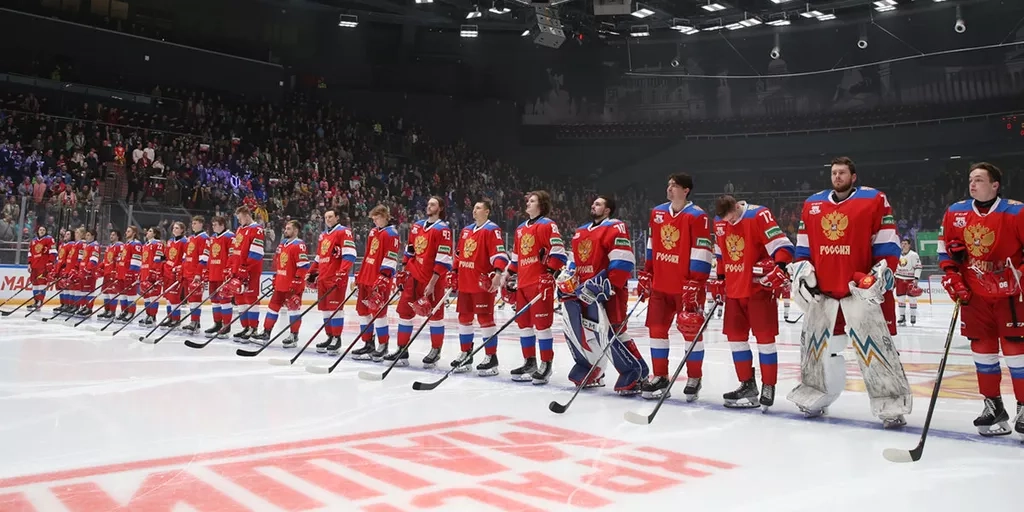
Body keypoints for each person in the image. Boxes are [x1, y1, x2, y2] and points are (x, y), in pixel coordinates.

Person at [788, 156, 909, 428]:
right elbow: (803, 247)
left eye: (842, 172)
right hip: (824, 292)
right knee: (821, 351)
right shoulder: (813, 204)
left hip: (860, 291)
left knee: (877, 349)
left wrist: (880, 273)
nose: (837, 177)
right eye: (834, 172)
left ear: (853, 176)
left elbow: (887, 241)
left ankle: (890, 404)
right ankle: (817, 394)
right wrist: (803, 272)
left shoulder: (873, 199)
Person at [938, 162, 1024, 438]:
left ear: (995, 185)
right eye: (970, 180)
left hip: (1010, 297)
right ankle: (993, 406)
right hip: (974, 297)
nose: (972, 184)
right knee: (982, 352)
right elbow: (945, 251)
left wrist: (1019, 277)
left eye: (979, 180)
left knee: (1016, 353)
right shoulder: (956, 212)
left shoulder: (1016, 211)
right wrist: (953, 277)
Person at [559, 195, 648, 394]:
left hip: (607, 292)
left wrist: (607, 284)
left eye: (598, 204)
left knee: (614, 331)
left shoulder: (615, 227)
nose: (593, 205)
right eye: (593, 203)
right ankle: (592, 368)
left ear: (607, 210)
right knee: (582, 330)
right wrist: (567, 278)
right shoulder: (580, 231)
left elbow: (623, 260)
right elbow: (575, 262)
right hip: (582, 291)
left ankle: (638, 372)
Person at [711, 195, 794, 409]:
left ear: (736, 206)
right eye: (725, 220)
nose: (729, 222)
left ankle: (768, 385)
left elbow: (783, 246)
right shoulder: (719, 222)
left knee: (765, 339)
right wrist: (720, 279)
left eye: (731, 217)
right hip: (734, 290)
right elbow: (720, 254)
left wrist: (779, 267)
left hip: (759, 289)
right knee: (736, 339)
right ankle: (747, 384)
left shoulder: (759, 215)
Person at [637, 173, 713, 402]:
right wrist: (647, 272)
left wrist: (696, 281)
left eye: (674, 185)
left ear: (686, 190)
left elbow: (702, 249)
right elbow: (652, 244)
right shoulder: (657, 212)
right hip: (660, 285)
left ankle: (694, 377)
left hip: (686, 287)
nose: (669, 189)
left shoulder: (697, 215)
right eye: (668, 185)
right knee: (656, 330)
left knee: (691, 331)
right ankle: (660, 376)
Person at [504, 191, 567, 383]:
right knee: (524, 325)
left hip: (540, 284)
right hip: (523, 284)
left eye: (532, 201)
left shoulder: (548, 225)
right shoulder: (520, 229)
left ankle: (546, 364)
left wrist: (549, 274)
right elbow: (516, 258)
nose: (528, 203)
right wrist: (508, 275)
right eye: (528, 201)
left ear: (541, 205)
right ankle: (529, 362)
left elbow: (559, 253)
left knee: (542, 325)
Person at [387, 196, 454, 368]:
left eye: (433, 204)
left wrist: (432, 283)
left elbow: (443, 259)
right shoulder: (417, 226)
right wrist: (404, 270)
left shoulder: (443, 230)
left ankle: (435, 350)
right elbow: (410, 249)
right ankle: (402, 350)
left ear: (440, 208)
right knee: (404, 312)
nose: (429, 206)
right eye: (428, 203)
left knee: (435, 316)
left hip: (432, 280)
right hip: (413, 276)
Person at [449, 200, 508, 376]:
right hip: (465, 281)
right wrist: (454, 272)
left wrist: (498, 273)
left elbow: (499, 253)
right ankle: (466, 354)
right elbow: (459, 254)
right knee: (464, 318)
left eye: (479, 208)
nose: (474, 210)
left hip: (482, 283)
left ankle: (491, 357)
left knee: (485, 319)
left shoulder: (492, 229)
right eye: (474, 208)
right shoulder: (466, 230)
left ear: (487, 211)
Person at [351, 205, 401, 361]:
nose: (374, 221)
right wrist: (360, 275)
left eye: (377, 218)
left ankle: (383, 345)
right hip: (366, 277)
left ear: (385, 216)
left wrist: (384, 277)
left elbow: (391, 256)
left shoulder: (391, 234)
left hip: (379, 279)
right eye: (373, 219)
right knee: (363, 311)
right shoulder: (373, 232)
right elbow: (368, 254)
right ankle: (368, 344)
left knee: (379, 312)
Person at [308, 208, 356, 354]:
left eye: (330, 216)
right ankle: (329, 337)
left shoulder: (343, 232)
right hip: (323, 277)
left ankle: (337, 338)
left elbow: (350, 254)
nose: (327, 219)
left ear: (337, 217)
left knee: (336, 309)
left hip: (335, 278)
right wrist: (311, 271)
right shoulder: (323, 235)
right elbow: (319, 257)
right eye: (326, 217)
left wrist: (342, 273)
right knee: (325, 310)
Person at [254, 220, 309, 347]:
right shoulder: (282, 244)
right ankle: (266, 332)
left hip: (292, 286)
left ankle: (294, 336)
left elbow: (304, 266)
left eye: (289, 228)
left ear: (296, 231)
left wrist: (296, 281)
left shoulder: (299, 245)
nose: (285, 230)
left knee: (293, 309)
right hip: (280, 283)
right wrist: (275, 276)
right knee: (272, 308)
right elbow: (277, 263)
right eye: (286, 228)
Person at [228, 206, 266, 341]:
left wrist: (245, 268)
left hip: (251, 270)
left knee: (250, 297)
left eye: (240, 218)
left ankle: (253, 328)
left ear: (246, 215)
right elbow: (234, 250)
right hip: (238, 269)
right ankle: (245, 327)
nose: (238, 221)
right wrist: (231, 267)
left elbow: (257, 253)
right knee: (239, 298)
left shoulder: (257, 229)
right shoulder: (239, 229)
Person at [203, 216, 235, 337]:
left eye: (215, 224)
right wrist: (206, 270)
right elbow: (209, 256)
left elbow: (232, 256)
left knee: (224, 301)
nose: (213, 227)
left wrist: (229, 269)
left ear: (222, 225)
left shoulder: (230, 237)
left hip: (223, 275)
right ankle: (217, 324)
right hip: (213, 274)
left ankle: (226, 326)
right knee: (215, 301)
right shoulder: (212, 238)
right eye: (212, 225)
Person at [180, 216, 210, 333]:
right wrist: (182, 270)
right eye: (192, 223)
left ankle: (195, 321)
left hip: (195, 273)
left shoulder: (204, 238)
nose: (193, 225)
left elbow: (204, 258)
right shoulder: (190, 238)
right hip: (187, 272)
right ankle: (194, 321)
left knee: (195, 298)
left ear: (201, 224)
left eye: (195, 223)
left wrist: (198, 273)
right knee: (191, 299)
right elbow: (185, 256)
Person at [160, 221, 188, 327]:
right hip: (167, 272)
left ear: (182, 230)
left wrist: (180, 269)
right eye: (174, 228)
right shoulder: (170, 241)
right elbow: (166, 256)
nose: (174, 230)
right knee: (168, 297)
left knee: (174, 297)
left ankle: (176, 319)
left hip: (176, 273)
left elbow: (185, 258)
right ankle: (170, 317)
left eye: (177, 228)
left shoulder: (185, 241)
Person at [115, 226, 143, 322]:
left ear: (134, 233)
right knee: (122, 294)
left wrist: (131, 273)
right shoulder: (126, 244)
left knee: (130, 294)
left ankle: (131, 312)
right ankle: (124, 311)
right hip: (122, 273)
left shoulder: (136, 244)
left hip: (129, 274)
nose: (126, 233)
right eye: (126, 231)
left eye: (129, 231)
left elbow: (136, 260)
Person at [138, 227, 166, 326]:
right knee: (146, 296)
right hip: (144, 272)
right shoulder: (145, 245)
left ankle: (152, 316)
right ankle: (148, 314)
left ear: (154, 234)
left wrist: (155, 272)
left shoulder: (158, 244)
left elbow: (158, 259)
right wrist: (140, 273)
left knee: (153, 295)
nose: (147, 232)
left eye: (150, 231)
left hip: (152, 273)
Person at [894, 238, 922, 326]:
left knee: (912, 298)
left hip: (910, 279)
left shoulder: (913, 255)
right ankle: (902, 316)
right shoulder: (897, 254)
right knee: (900, 298)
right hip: (899, 278)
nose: (903, 245)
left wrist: (916, 279)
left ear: (909, 245)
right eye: (902, 243)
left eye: (905, 243)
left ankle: (913, 316)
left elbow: (918, 267)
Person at [27, 226, 55, 311]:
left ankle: (40, 301)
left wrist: (50, 262)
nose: (42, 231)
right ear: (38, 231)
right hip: (34, 266)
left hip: (43, 266)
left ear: (46, 231)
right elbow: (30, 253)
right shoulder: (33, 241)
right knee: (35, 284)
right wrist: (29, 263)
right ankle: (36, 301)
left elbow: (53, 252)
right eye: (40, 230)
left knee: (42, 283)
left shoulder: (49, 239)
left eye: (43, 230)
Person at [97, 230, 123, 319]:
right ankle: (106, 310)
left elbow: (120, 259)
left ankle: (112, 312)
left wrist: (116, 271)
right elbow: (105, 260)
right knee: (106, 292)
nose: (111, 236)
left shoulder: (119, 246)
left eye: (113, 235)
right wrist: (100, 268)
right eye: (111, 234)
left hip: (113, 273)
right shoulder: (108, 247)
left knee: (112, 292)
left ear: (118, 236)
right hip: (107, 273)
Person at [75, 229, 101, 316]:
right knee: (83, 291)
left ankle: (89, 308)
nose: (86, 237)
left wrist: (88, 269)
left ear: (93, 236)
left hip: (89, 273)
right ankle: (83, 307)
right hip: (83, 271)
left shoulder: (95, 246)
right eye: (86, 235)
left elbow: (94, 260)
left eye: (88, 235)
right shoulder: (87, 245)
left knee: (89, 291)